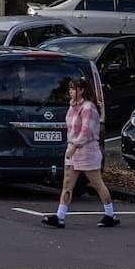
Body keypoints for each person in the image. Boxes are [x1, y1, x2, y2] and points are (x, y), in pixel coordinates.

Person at [43, 77, 120, 229]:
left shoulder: (88, 108)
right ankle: (60, 216)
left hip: (87, 151)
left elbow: (86, 131)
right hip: (73, 152)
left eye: (73, 89)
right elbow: (71, 128)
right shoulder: (72, 107)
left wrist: (74, 146)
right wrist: (71, 147)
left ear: (82, 90)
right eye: (70, 89)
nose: (70, 92)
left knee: (97, 183)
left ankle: (110, 214)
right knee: (67, 183)